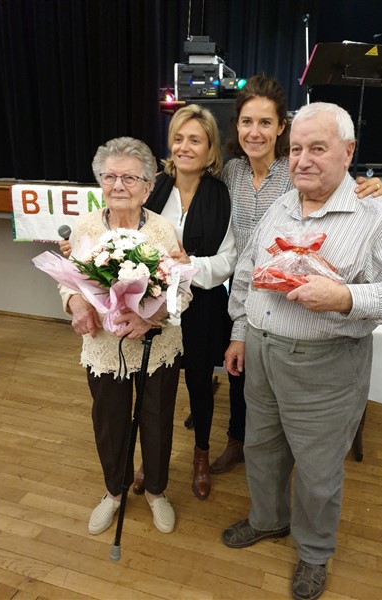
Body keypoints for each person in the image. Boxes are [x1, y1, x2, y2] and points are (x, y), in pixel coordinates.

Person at [221, 102, 382, 600]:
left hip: (326, 365)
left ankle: (315, 552)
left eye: (317, 148)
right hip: (261, 351)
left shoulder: (375, 213)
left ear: (348, 151)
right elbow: (250, 268)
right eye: (296, 148)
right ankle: (268, 520)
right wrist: (239, 332)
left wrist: (345, 298)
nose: (303, 159)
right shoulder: (283, 201)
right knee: (262, 449)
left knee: (318, 470)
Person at [210, 75, 382, 475]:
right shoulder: (231, 173)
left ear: (280, 128)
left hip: (299, 306)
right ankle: (237, 440)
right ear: (236, 126)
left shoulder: (296, 172)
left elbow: (341, 188)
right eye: (246, 122)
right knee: (242, 378)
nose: (254, 132)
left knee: (295, 417)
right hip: (245, 292)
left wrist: (376, 188)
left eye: (265, 123)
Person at [59, 137, 192, 536]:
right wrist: (76, 305)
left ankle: (155, 491)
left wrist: (153, 319)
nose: (119, 185)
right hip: (103, 344)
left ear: (148, 186)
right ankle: (114, 492)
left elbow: (181, 289)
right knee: (109, 419)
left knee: (156, 419)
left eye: (129, 177)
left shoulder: (163, 229)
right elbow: (71, 282)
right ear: (100, 181)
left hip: (156, 343)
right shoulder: (84, 227)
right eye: (110, 176)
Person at [144, 104, 236, 500]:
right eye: (178, 138)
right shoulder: (153, 188)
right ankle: (152, 459)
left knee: (199, 381)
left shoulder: (222, 195)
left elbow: (231, 259)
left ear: (210, 148)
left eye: (194, 139)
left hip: (202, 307)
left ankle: (201, 453)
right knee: (156, 386)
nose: (184, 146)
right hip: (155, 306)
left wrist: (191, 265)